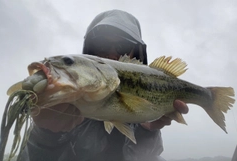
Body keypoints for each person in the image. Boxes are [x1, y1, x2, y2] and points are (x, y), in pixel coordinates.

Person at [19, 10, 188, 161]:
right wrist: (46, 135)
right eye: (102, 45)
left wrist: (148, 131)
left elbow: (146, 156)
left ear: (135, 53)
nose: (112, 53)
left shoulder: (144, 105)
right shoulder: (66, 103)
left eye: (123, 46)